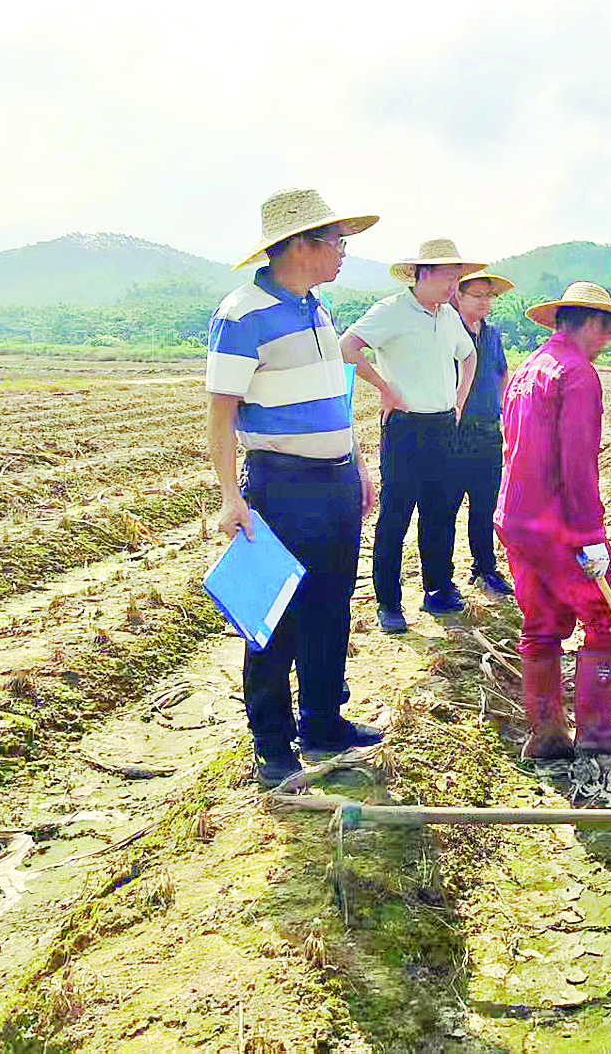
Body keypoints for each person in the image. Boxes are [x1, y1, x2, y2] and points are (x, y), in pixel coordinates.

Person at [205, 187, 384, 787]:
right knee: (274, 612)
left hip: (335, 481)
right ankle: (273, 744)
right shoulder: (241, 314)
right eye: (335, 242)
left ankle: (323, 720)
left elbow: (336, 398)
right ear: (299, 246)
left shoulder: (319, 309)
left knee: (331, 604)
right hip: (280, 485)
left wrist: (355, 462)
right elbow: (221, 413)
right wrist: (232, 496)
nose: (342, 253)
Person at [497, 281, 611, 759]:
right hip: (558, 524)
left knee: (541, 624)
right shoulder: (578, 374)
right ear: (591, 324)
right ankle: (599, 733)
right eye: (606, 331)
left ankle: (546, 734)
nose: (607, 342)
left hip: (516, 518)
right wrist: (591, 537)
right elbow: (577, 460)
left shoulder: (531, 366)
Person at [340, 239, 485, 633]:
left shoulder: (448, 316)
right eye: (449, 278)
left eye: (458, 279)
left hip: (442, 425)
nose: (454, 287)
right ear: (423, 273)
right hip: (405, 428)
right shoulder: (391, 311)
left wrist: (459, 399)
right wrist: (384, 388)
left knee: (440, 512)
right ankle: (388, 603)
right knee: (396, 515)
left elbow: (468, 355)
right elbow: (347, 347)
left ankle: (438, 589)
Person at [450, 271, 515, 598]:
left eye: (489, 296)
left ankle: (484, 568)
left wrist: (503, 414)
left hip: (488, 432)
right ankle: (441, 579)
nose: (485, 301)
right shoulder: (445, 331)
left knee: (484, 505)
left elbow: (502, 374)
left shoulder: (491, 335)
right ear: (458, 296)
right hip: (454, 433)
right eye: (477, 295)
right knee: (445, 507)